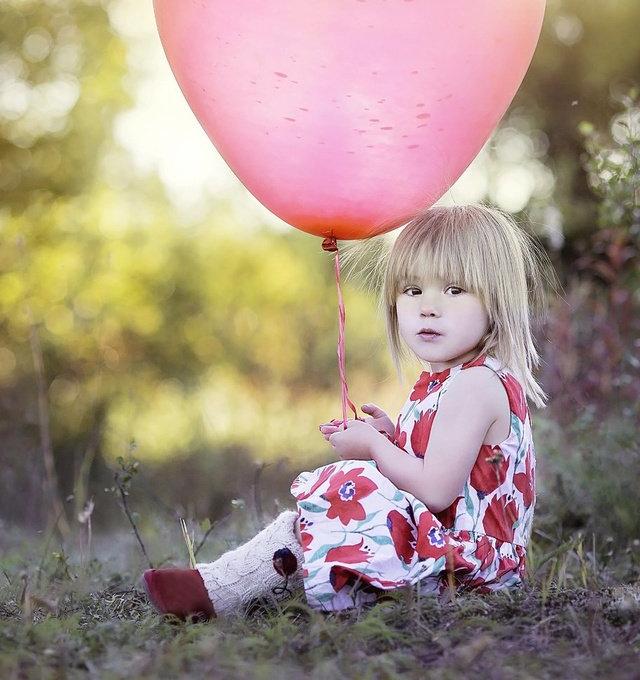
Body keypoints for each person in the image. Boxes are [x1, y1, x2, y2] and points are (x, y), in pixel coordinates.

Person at [142, 203, 548, 619]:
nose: (428, 307)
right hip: (448, 553)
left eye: (455, 290)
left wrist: (374, 446)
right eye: (413, 291)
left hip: (470, 572)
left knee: (352, 481)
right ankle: (224, 586)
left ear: (496, 300)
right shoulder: (452, 382)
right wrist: (394, 437)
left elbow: (435, 490)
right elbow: (444, 466)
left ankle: (219, 590)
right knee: (349, 495)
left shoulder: (475, 384)